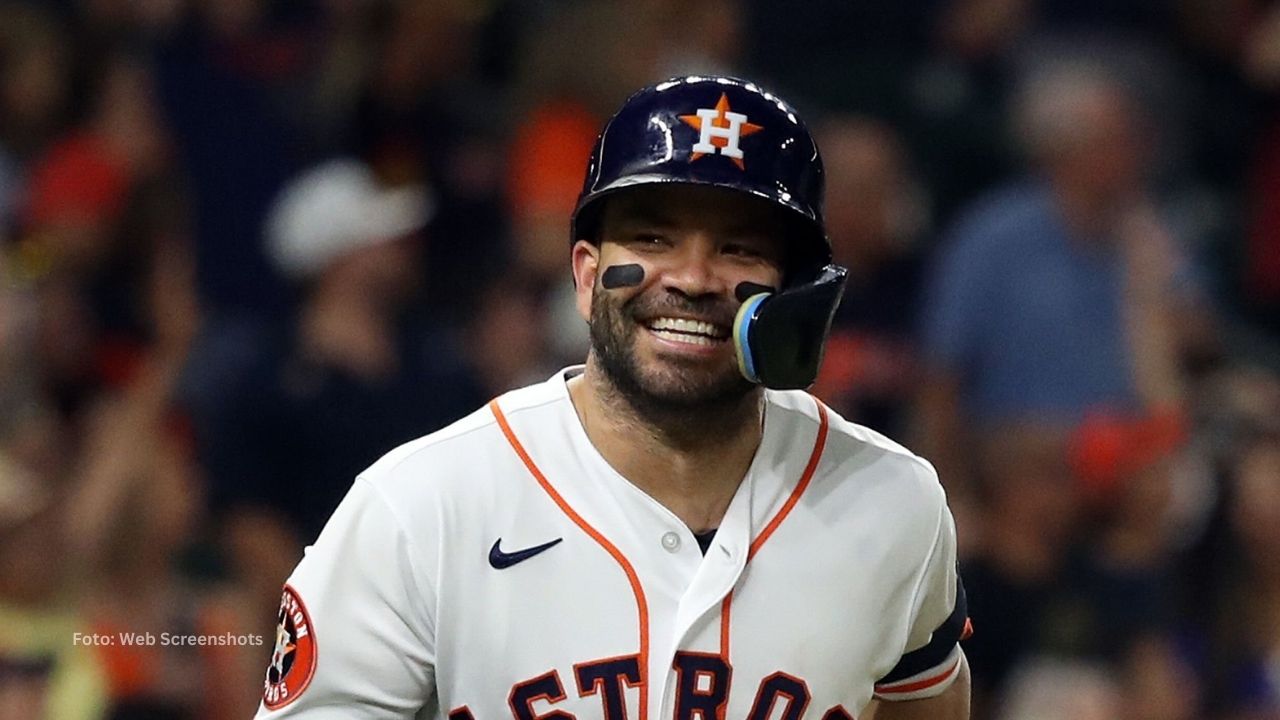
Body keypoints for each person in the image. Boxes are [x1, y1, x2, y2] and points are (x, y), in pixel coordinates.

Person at [252, 76, 971, 720]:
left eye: (739, 248)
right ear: (587, 274)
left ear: (799, 296)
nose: (692, 277)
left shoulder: (890, 501)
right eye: (652, 237)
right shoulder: (422, 506)